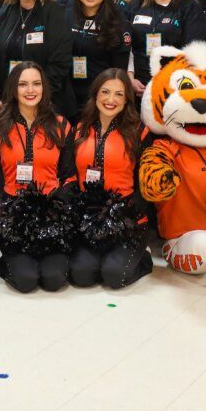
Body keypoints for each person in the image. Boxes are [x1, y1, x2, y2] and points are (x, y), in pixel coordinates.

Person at [0, 62, 76, 293]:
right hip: (13, 215)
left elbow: (69, 177)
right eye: (23, 84)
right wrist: (4, 212)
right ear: (13, 90)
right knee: (26, 282)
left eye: (36, 84)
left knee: (54, 280)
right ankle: (5, 262)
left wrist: (56, 208)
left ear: (44, 88)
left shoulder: (61, 126)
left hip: (49, 214)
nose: (30, 90)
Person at [68, 70, 153, 288]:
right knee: (81, 275)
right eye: (105, 92)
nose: (110, 99)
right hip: (89, 218)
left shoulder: (139, 132)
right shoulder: (79, 130)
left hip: (125, 219)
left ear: (126, 100)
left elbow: (145, 185)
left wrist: (130, 214)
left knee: (114, 276)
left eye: (119, 94)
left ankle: (143, 257)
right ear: (95, 95)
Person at [125, 0, 206, 98]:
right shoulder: (135, 5)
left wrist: (170, 83)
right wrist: (129, 78)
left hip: (174, 90)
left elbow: (195, 52)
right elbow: (125, 46)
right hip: (137, 88)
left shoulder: (189, 7)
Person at [66, 0, 131, 119]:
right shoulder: (66, 16)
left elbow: (118, 73)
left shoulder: (118, 21)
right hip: (69, 100)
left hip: (102, 103)